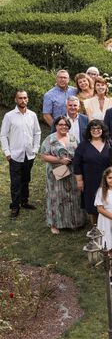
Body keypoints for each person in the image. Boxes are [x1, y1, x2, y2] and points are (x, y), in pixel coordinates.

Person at [40, 116, 85, 234]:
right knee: (57, 197)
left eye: (65, 125)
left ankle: (74, 222)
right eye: (60, 124)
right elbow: (44, 156)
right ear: (56, 126)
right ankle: (55, 224)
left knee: (73, 197)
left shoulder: (74, 138)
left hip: (72, 173)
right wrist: (60, 160)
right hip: (56, 173)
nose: (63, 127)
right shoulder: (50, 139)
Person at [1, 90, 40, 219]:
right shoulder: (9, 116)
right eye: (20, 98)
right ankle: (15, 206)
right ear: (15, 100)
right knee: (16, 182)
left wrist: (35, 149)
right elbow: (3, 135)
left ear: (27, 99)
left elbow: (37, 133)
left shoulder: (32, 115)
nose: (23, 100)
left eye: (25, 98)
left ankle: (24, 201)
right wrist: (7, 152)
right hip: (15, 155)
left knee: (26, 179)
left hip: (29, 154)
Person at [73, 119, 112, 224]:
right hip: (90, 180)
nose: (96, 130)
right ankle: (95, 227)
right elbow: (76, 164)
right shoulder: (83, 145)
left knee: (108, 202)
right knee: (92, 204)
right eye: (93, 128)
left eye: (98, 128)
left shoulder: (108, 142)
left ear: (102, 130)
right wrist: (79, 180)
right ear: (89, 130)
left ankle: (107, 224)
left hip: (108, 180)